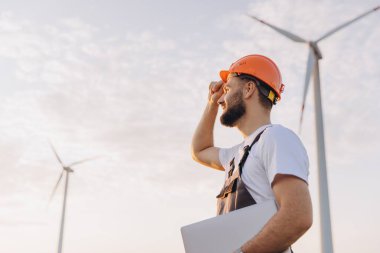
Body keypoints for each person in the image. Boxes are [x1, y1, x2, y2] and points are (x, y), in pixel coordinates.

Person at [191, 54, 313, 253]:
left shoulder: (275, 138)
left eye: (227, 89)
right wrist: (211, 103)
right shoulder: (237, 154)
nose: (222, 97)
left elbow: (298, 215)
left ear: (248, 89)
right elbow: (199, 150)